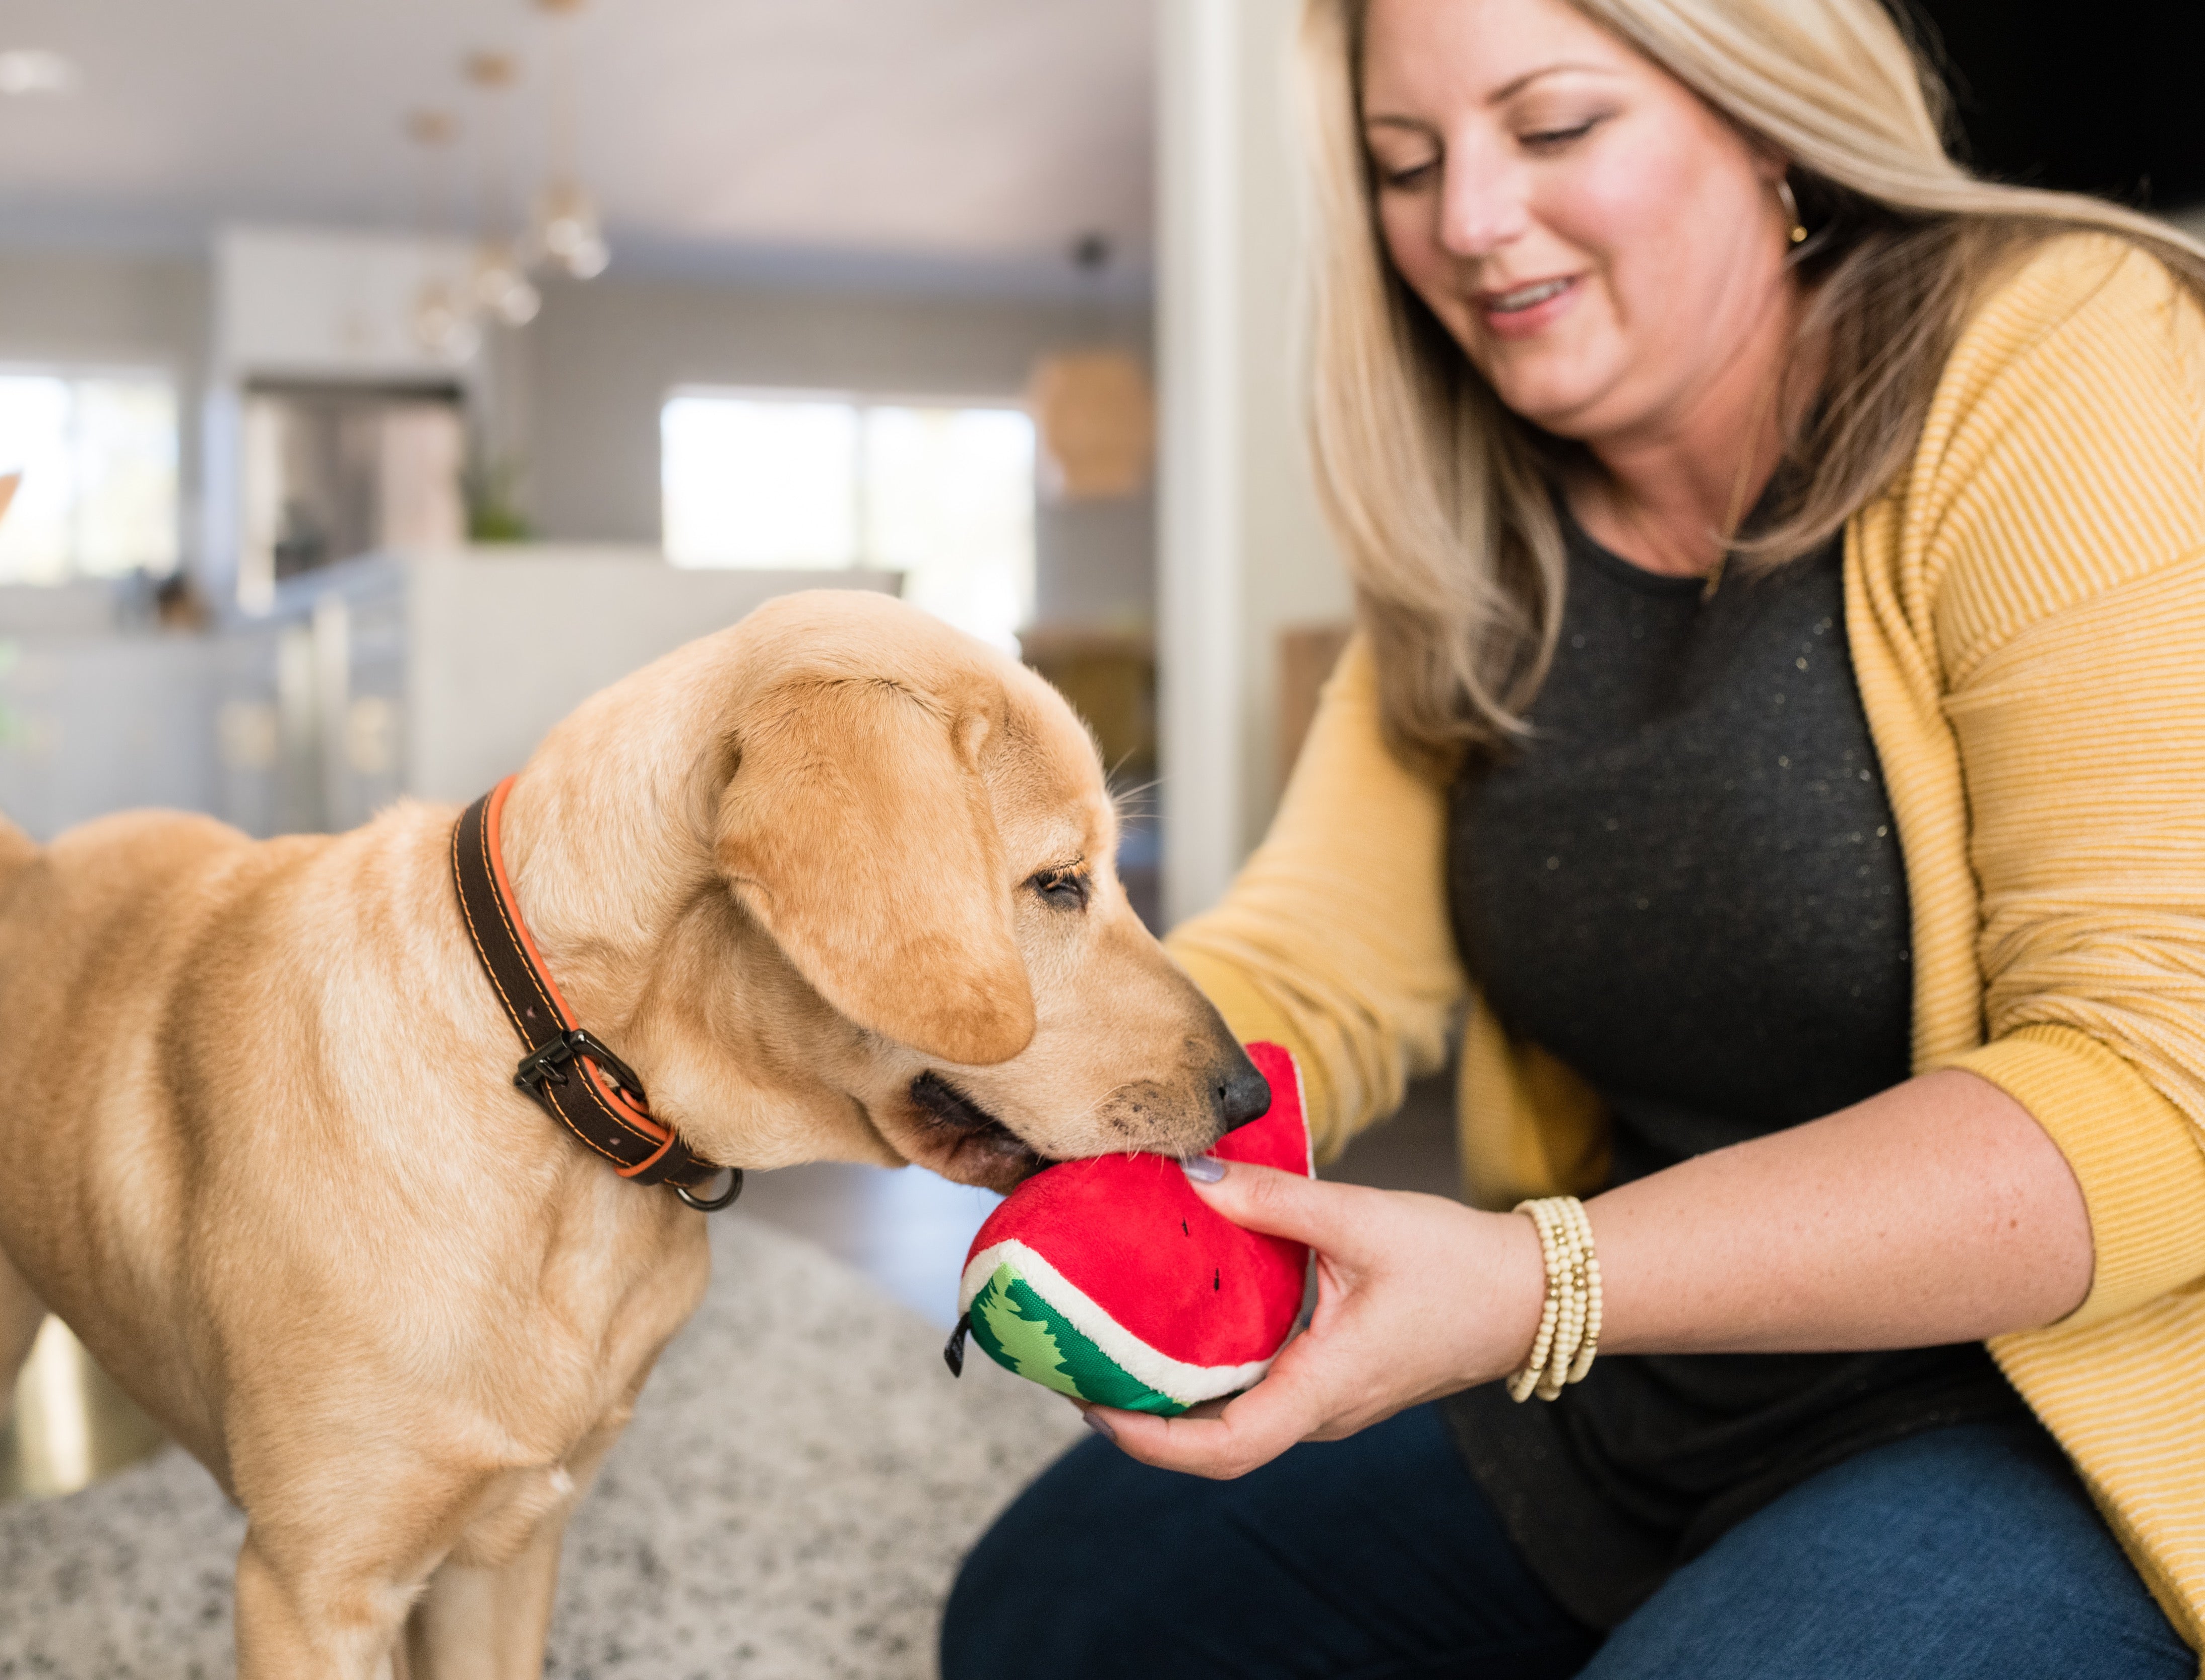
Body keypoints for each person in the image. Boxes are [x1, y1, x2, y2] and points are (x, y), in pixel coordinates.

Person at [941, 0, 2205, 1674]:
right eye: (1408, 162)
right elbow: (1315, 970)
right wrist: (1041, 1056)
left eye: (1552, 130)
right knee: (1053, 1620)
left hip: (2057, 1397)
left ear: (1765, 118)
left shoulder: (2066, 350)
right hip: (1659, 1360)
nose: (1465, 222)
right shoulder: (1474, 517)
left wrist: (1539, 1283)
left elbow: (2164, 1082)